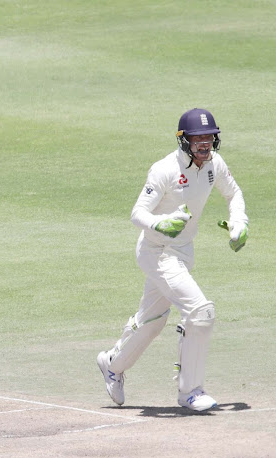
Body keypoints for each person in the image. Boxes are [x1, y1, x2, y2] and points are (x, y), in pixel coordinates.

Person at [96, 108, 249, 412]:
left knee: (152, 322)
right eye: (198, 139)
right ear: (184, 140)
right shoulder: (164, 169)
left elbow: (234, 195)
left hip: (182, 253)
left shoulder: (214, 164)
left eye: (209, 138)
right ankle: (190, 391)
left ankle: (112, 364)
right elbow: (137, 213)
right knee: (200, 311)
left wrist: (239, 223)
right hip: (156, 252)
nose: (205, 145)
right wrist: (160, 223)